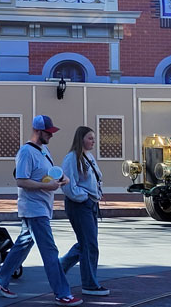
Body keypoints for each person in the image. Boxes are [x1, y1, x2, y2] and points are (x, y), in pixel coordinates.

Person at [0, 115, 82, 306]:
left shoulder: (43, 150)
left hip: (41, 207)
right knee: (49, 251)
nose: (51, 135)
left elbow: (49, 173)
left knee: (23, 244)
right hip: (34, 209)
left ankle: (1, 278)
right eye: (48, 132)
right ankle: (62, 293)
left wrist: (62, 178)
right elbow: (21, 180)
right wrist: (46, 187)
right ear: (38, 131)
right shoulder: (26, 152)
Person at [58, 126, 110, 297]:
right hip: (79, 206)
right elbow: (68, 185)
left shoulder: (88, 156)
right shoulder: (71, 158)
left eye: (93, 138)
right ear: (81, 139)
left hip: (90, 204)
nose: (93, 141)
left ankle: (60, 267)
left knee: (86, 243)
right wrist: (84, 197)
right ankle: (89, 284)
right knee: (89, 244)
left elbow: (94, 179)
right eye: (90, 138)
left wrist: (95, 196)